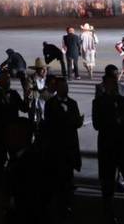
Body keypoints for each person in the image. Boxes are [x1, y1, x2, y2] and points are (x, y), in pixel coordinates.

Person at [92, 65, 124, 220]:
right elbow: (97, 124)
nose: (114, 85)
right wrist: (114, 120)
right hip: (107, 145)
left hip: (123, 145)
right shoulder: (98, 102)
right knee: (107, 182)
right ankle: (108, 211)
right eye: (111, 82)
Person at [41, 76, 83, 216]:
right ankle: (57, 204)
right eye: (63, 87)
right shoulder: (50, 104)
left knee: (68, 175)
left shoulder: (73, 103)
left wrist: (78, 122)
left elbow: (76, 121)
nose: (66, 89)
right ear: (57, 88)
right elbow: (49, 123)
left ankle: (67, 203)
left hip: (70, 145)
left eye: (66, 87)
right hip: (56, 146)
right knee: (57, 176)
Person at [0, 68, 26, 184]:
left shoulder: (14, 94)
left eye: (9, 78)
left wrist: (27, 95)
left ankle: (13, 181)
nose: (8, 81)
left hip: (13, 131)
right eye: (5, 79)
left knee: (15, 158)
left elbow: (24, 108)